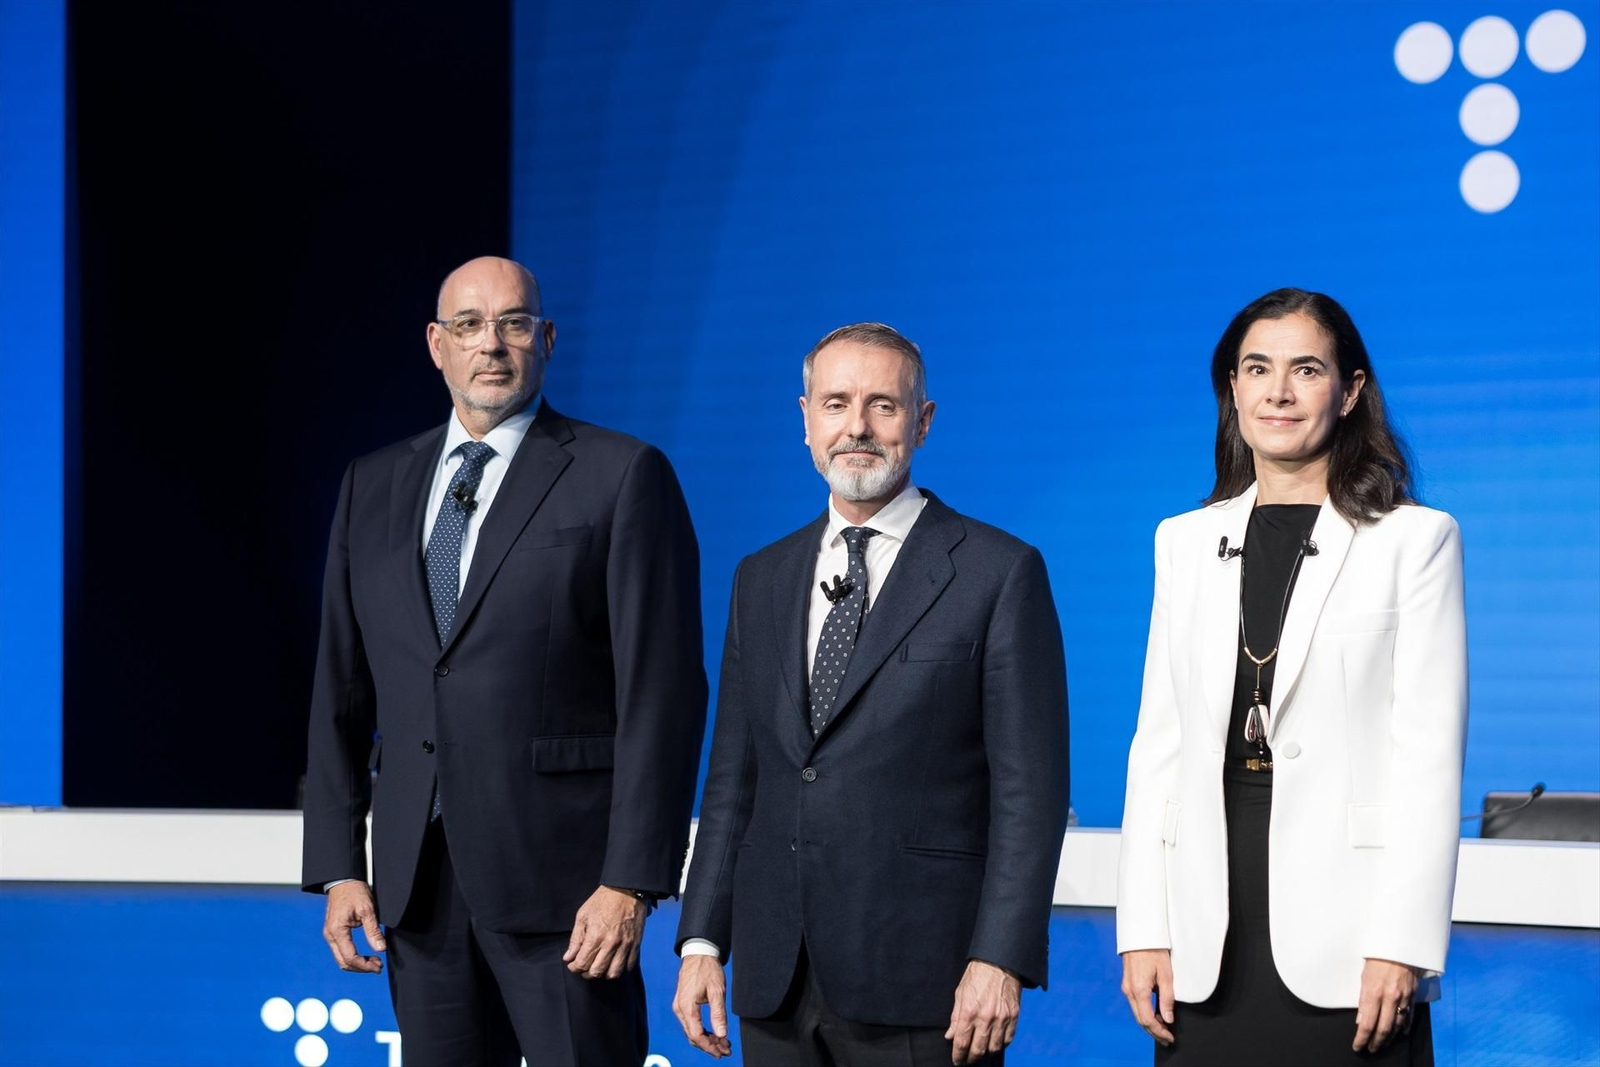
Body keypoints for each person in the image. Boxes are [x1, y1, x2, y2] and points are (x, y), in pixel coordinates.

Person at [300, 256, 708, 1066]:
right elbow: (339, 689)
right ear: (435, 345)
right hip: (418, 890)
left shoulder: (621, 475)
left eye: (515, 323)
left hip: (569, 894)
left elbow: (663, 696)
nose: (493, 344)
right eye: (469, 326)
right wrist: (339, 864)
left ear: (547, 339)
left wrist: (630, 881)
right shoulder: (373, 484)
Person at [671, 322, 1070, 1066]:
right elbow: (734, 780)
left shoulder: (997, 572)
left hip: (931, 982)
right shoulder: (760, 578)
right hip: (775, 980)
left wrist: (1001, 959)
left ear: (922, 421)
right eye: (836, 403)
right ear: (805, 420)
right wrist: (701, 940)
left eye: (883, 405)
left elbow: (1031, 793)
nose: (857, 426)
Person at [1116, 288, 1468, 1065]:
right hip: (1208, 920)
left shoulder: (1415, 541)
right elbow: (1159, 748)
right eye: (1257, 369)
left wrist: (1403, 942)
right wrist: (1143, 926)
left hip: (1351, 931)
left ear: (1349, 392)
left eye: (1306, 369)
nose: (1278, 391)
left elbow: (1427, 756)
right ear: (1233, 389)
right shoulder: (1183, 541)